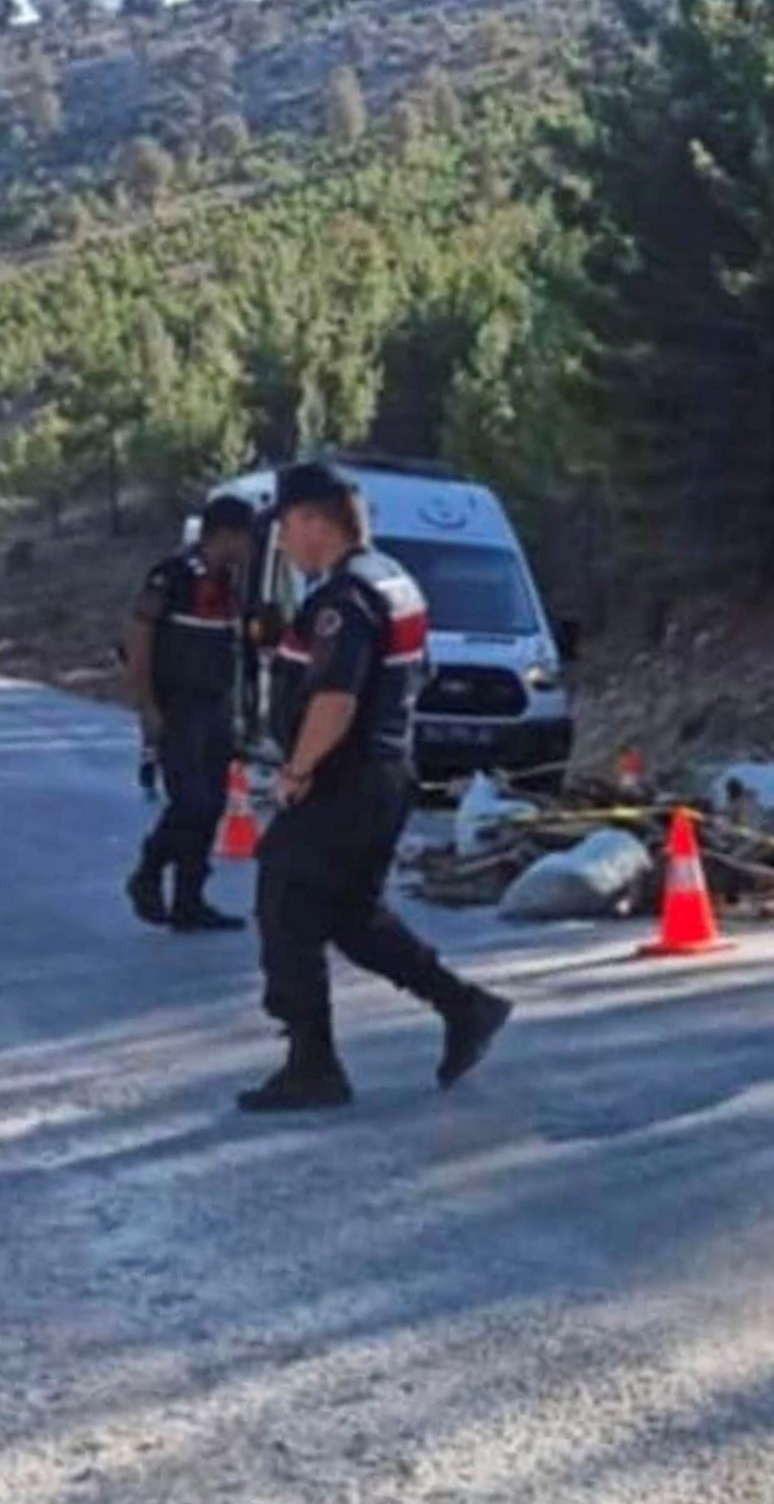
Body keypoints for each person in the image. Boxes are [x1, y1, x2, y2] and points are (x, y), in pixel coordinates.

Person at [238, 462, 512, 1114]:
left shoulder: (343, 599)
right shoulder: (393, 578)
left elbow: (335, 697)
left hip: (344, 779)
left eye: (288, 527)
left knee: (285, 903)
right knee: (351, 916)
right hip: (384, 776)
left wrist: (297, 771)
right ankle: (464, 1006)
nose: (288, 543)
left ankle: (313, 1064)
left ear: (312, 521)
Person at [123, 493, 259, 932]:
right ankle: (147, 873)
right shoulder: (173, 576)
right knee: (191, 801)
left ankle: (189, 899)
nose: (251, 547)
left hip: (215, 707)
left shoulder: (230, 585)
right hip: (176, 706)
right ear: (224, 534)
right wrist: (146, 705)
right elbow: (139, 638)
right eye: (246, 537)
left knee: (213, 803)